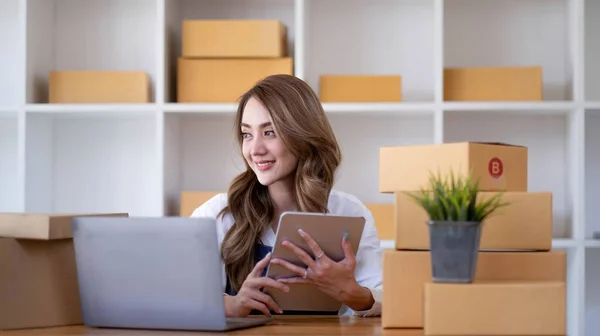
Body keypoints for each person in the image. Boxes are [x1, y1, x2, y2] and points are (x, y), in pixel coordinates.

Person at [190, 74, 383, 318]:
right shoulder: (218, 215)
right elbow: (183, 298)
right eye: (247, 134)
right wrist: (232, 305)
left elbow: (389, 302)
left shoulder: (350, 212)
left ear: (302, 135)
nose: (255, 150)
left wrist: (352, 293)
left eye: (269, 132)